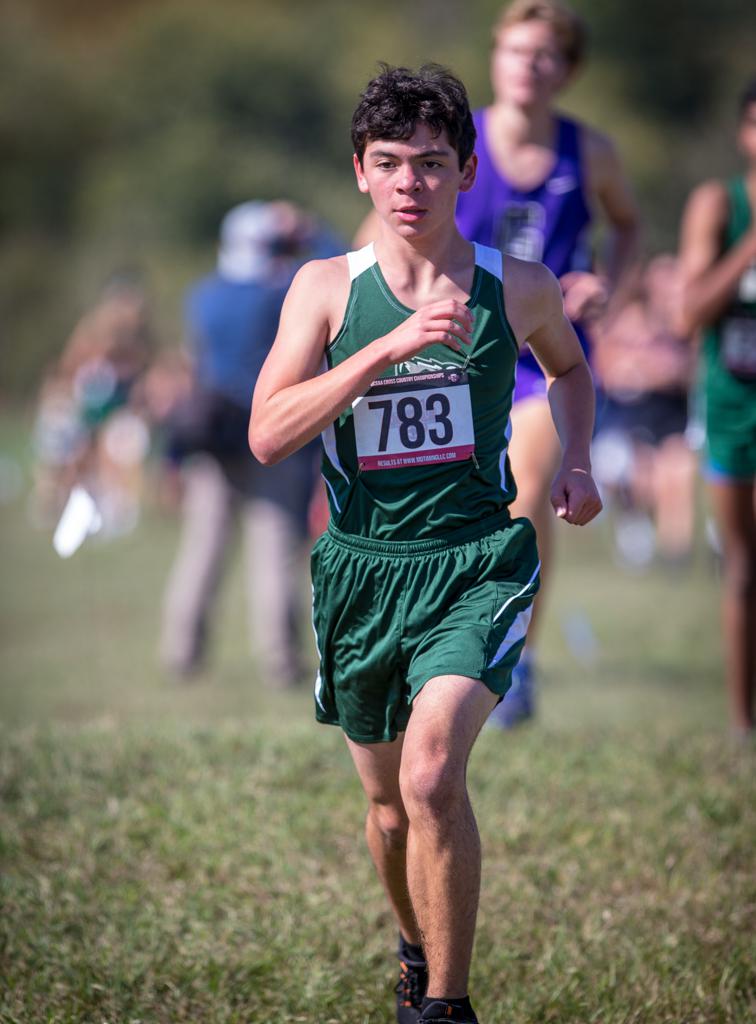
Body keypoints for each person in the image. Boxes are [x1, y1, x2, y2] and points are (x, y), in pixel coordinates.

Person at [249, 64, 602, 1024]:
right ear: (360, 173)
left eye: (433, 163)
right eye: (391, 163)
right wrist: (386, 350)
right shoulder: (326, 289)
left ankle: (447, 1007)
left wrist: (576, 460)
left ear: (467, 171)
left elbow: (568, 368)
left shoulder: (516, 285)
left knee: (434, 769)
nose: (412, 183)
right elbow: (269, 431)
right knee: (389, 811)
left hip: (477, 561)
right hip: (363, 572)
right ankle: (413, 943)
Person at [454, 0, 640, 725]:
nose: (529, 65)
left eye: (545, 55)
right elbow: (385, 220)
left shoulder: (587, 150)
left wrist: (609, 285)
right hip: (457, 348)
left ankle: (518, 657)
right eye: (516, 50)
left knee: (526, 491)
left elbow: (627, 223)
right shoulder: (454, 138)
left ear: (566, 71)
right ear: (495, 56)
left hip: (547, 357)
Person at [159, 201, 339, 686]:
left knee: (203, 549)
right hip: (274, 436)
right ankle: (280, 662)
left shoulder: (202, 295)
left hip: (212, 436)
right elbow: (344, 268)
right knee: (274, 551)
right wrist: (312, 229)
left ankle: (181, 652)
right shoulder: (280, 291)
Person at [677, 80, 756, 741]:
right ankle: (740, 722)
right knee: (742, 566)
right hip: (731, 407)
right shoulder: (718, 206)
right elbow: (688, 313)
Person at [591, 255, 697, 568]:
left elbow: (690, 367)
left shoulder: (682, 323)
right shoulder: (628, 320)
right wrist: (643, 370)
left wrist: (658, 370)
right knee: (643, 477)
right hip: (628, 417)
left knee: (678, 475)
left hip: (673, 412)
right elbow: (606, 367)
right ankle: (637, 530)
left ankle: (676, 558)